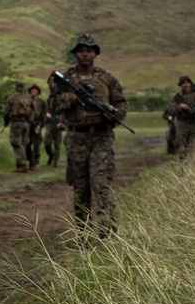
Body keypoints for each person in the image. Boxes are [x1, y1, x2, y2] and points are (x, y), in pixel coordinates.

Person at [52, 34, 127, 238]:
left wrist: (112, 115)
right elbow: (52, 104)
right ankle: (82, 233)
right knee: (81, 187)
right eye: (81, 51)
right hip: (76, 137)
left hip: (102, 136)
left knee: (101, 183)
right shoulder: (65, 80)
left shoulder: (107, 78)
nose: (85, 54)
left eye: (89, 50)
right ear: (75, 54)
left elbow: (121, 103)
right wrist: (72, 99)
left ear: (95, 53)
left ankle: (106, 232)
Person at [163, 76, 195, 158]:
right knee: (180, 145)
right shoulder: (177, 97)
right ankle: (183, 164)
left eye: (187, 82)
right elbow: (171, 109)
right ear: (181, 85)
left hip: (194, 123)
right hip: (182, 123)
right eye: (184, 83)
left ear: (190, 84)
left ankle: (193, 165)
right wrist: (180, 106)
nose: (186, 85)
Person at [2, 81, 33, 172]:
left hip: (16, 123)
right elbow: (33, 111)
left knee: (16, 143)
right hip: (26, 123)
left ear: (15, 88)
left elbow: (6, 112)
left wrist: (6, 122)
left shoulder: (12, 98)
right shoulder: (28, 98)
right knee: (23, 143)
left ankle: (22, 164)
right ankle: (20, 164)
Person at [26, 84, 45, 170]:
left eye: (35, 90)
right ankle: (30, 159)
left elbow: (43, 115)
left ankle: (34, 163)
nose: (33, 91)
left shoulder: (42, 102)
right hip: (28, 125)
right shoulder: (27, 100)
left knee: (36, 145)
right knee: (27, 144)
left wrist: (40, 125)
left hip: (37, 124)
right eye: (32, 90)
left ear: (38, 92)